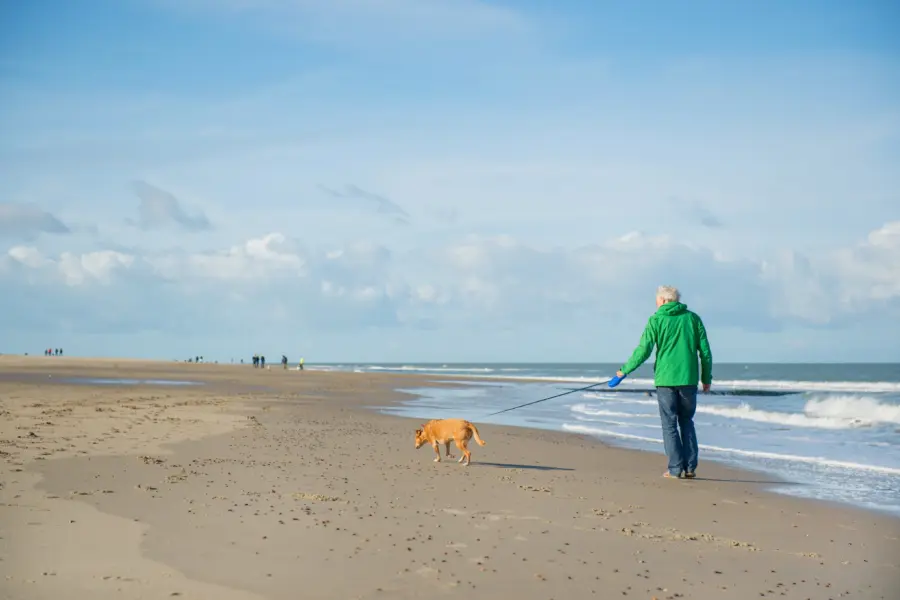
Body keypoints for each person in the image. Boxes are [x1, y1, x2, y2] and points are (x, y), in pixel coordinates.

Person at [616, 285, 713, 479]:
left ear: (663, 300)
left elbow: (643, 350)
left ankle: (675, 469)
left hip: (666, 380)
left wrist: (624, 371)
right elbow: (705, 352)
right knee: (686, 421)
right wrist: (706, 378)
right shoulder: (692, 319)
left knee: (669, 424)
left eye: (656, 300)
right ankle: (690, 467)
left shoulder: (656, 319)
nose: (655, 303)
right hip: (688, 379)